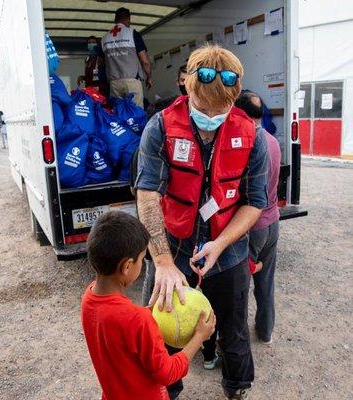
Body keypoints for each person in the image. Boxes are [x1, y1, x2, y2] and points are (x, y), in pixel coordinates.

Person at [136, 44, 268, 400]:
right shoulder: (159, 127)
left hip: (229, 252)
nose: (211, 116)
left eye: (221, 108)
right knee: (159, 331)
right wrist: (161, 262)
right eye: (203, 107)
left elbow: (255, 203)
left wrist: (221, 243)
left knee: (235, 329)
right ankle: (166, 391)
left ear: (234, 98)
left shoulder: (253, 136)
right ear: (188, 88)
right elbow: (147, 194)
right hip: (173, 250)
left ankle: (237, 387)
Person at [81, 211, 216, 400]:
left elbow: (119, 329)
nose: (142, 266)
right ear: (127, 266)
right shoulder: (138, 320)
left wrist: (149, 310)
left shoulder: (89, 298)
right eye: (142, 259)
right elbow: (167, 373)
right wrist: (199, 337)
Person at [235, 91, 281, 345]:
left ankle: (236, 340)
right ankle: (265, 331)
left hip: (252, 227)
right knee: (265, 284)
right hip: (272, 223)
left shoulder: (248, 143)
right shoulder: (272, 141)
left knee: (238, 288)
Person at [101, 7, 153, 107]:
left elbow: (101, 62)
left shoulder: (104, 38)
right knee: (136, 114)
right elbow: (145, 61)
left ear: (115, 19)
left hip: (114, 83)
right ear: (128, 19)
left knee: (118, 114)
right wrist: (149, 77)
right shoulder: (132, 33)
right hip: (132, 82)